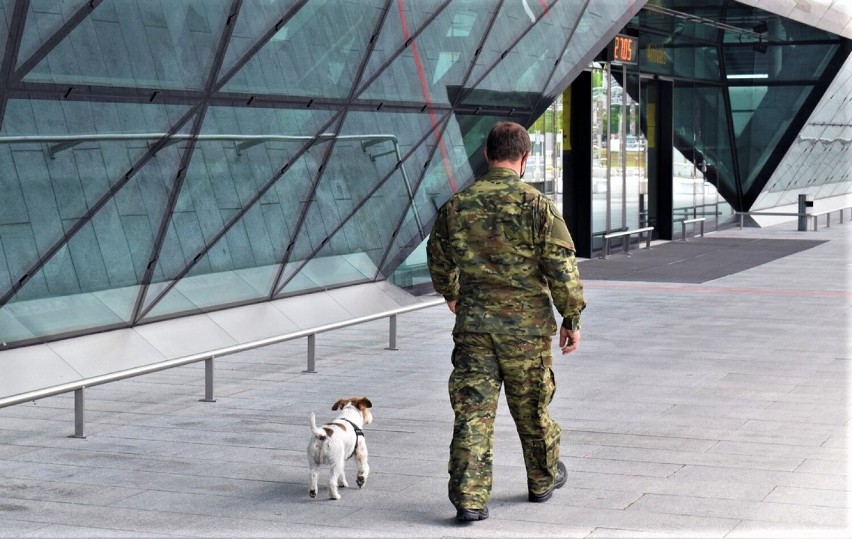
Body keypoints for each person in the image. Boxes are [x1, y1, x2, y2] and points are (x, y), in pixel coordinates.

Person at [426, 121, 586, 522]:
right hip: (526, 333)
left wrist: (452, 293)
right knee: (532, 407)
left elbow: (438, 258)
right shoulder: (538, 206)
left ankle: (469, 497)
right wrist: (571, 318)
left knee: (473, 413)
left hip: (475, 328)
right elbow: (562, 269)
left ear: (486, 155)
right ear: (525, 157)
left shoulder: (457, 205)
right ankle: (542, 479)